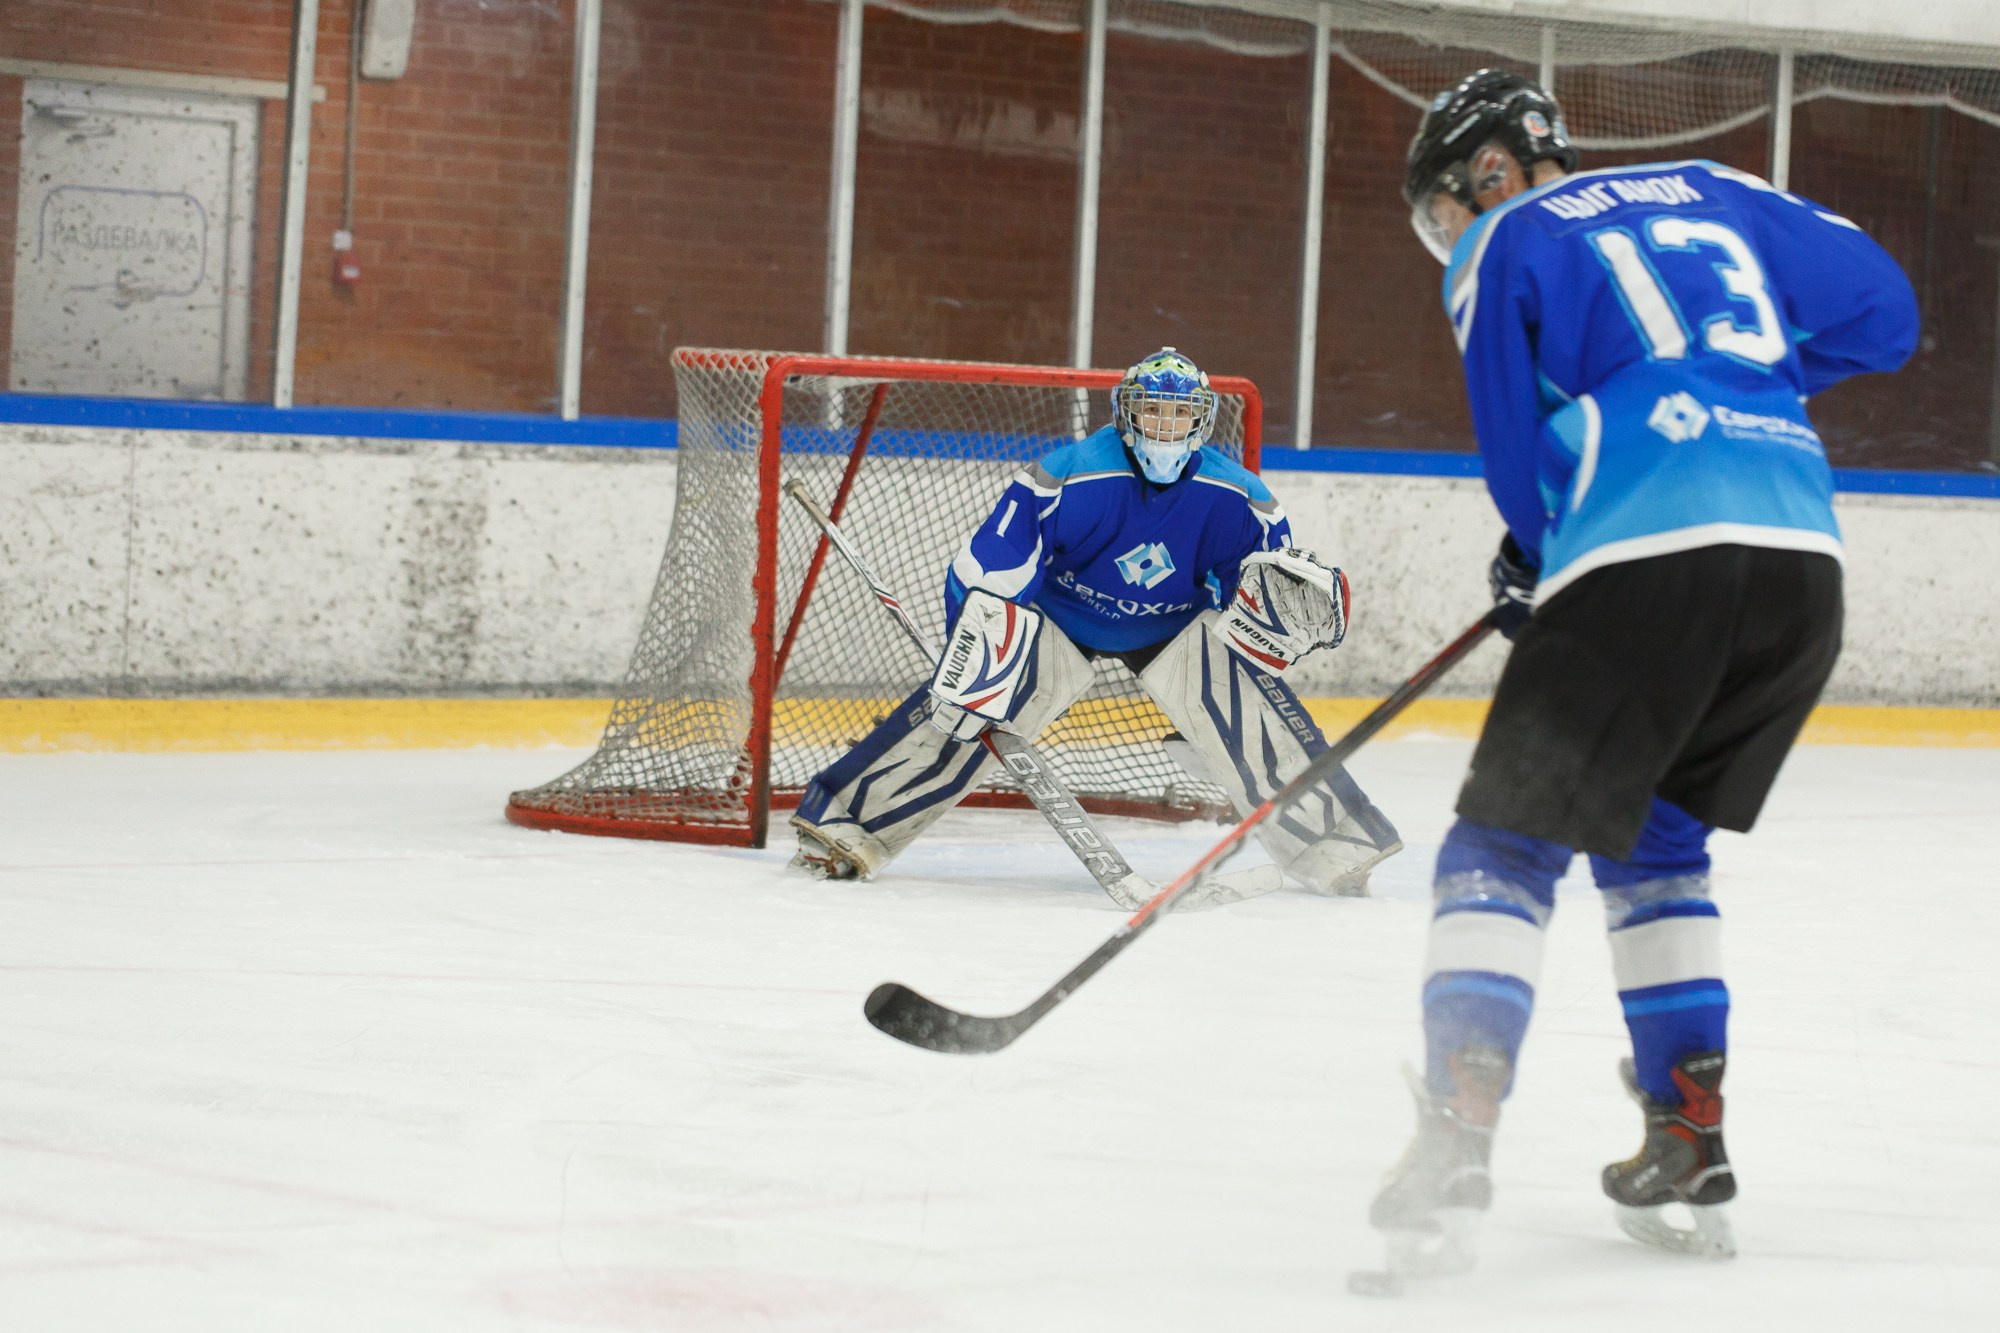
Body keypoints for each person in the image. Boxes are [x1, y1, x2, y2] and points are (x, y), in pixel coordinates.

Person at [1369, 70, 1918, 1276]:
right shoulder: (1719, 183)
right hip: (1797, 568)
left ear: (1493, 170)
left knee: (1499, 848)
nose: (1445, 237)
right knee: (1656, 841)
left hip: (1651, 552)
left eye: (1441, 210)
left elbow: (1515, 451)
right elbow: (1886, 317)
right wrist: (1732, 387)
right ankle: (1686, 1132)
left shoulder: (1504, 237)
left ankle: (1457, 1130)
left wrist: (1536, 547)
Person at [790, 348, 1401, 898]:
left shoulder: (1241, 497)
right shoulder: (1068, 473)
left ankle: (1336, 846)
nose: (1167, 429)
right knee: (967, 707)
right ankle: (842, 825)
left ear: (1202, 422)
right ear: (1126, 414)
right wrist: (970, 655)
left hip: (1175, 623)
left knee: (1254, 714)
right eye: (1154, 413)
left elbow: (1259, 593)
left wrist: (1266, 638)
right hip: (1063, 616)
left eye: (1180, 415)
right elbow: (986, 570)